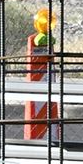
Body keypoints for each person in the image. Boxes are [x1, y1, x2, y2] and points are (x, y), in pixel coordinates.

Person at [24, 7, 59, 142]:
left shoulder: (45, 39)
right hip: (40, 78)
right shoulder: (36, 40)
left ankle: (51, 137)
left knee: (48, 106)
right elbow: (38, 42)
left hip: (46, 75)